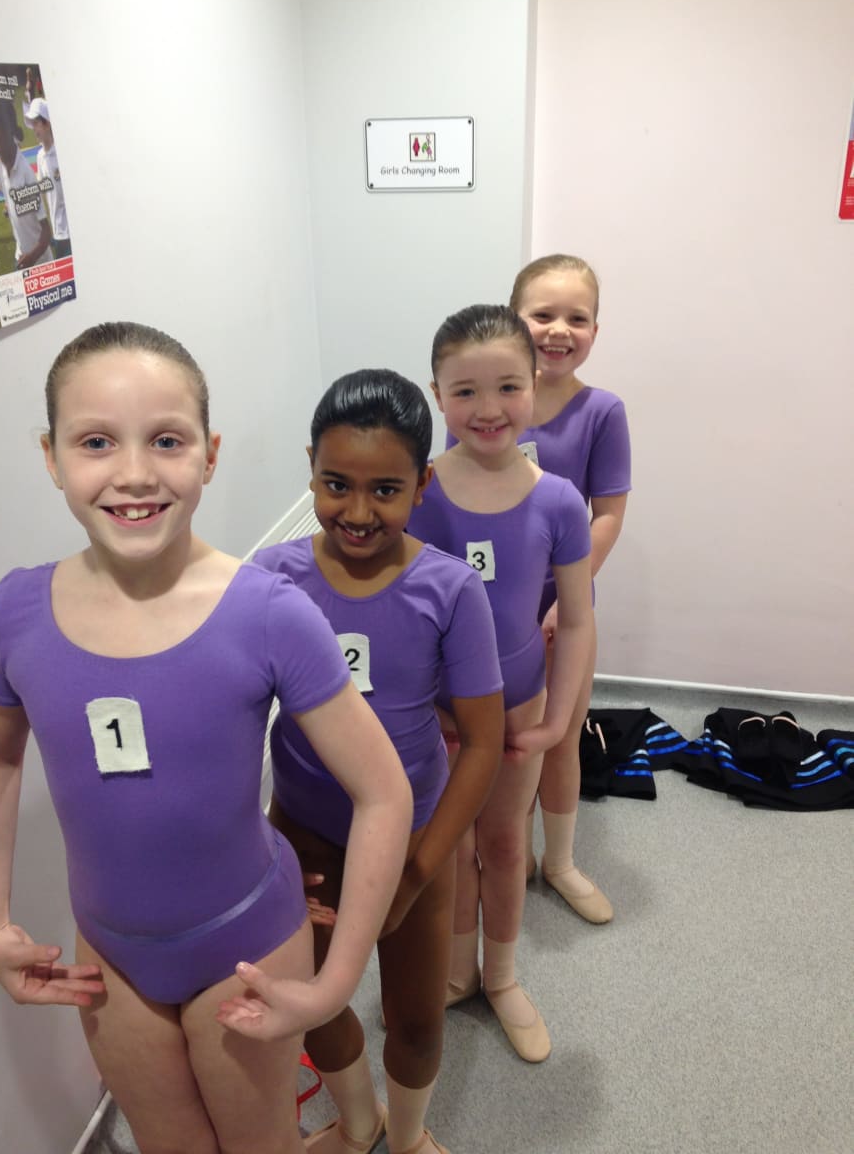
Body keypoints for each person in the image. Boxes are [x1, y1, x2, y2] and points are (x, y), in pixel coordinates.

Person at [0, 322, 413, 1154]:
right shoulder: (14, 616)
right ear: (51, 456)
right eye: (96, 441)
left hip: (248, 946)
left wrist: (336, 979)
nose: (134, 473)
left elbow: (383, 792)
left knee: (259, 1143)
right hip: (111, 956)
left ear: (209, 455)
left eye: (166, 440)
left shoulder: (268, 615)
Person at [254, 369, 504, 1154]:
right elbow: (231, 721)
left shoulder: (451, 589)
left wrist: (419, 872)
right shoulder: (270, 581)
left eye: (385, 490)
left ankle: (409, 1134)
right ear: (311, 469)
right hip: (304, 836)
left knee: (417, 1017)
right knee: (309, 999)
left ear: (422, 484)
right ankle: (358, 1122)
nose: (358, 513)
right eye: (337, 485)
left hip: (414, 842)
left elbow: (484, 741)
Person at [408, 304, 595, 1063]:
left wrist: (555, 722)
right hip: (439, 713)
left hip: (519, 705)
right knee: (451, 848)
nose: (488, 409)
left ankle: (504, 975)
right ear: (437, 395)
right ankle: (458, 971)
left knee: (506, 842)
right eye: (465, 392)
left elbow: (576, 620)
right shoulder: (417, 492)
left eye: (508, 387)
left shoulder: (558, 501)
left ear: (534, 385)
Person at [510, 254, 631, 923]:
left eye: (576, 318)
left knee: (559, 737)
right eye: (543, 314)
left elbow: (607, 514)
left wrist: (568, 596)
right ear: (513, 319)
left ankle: (558, 861)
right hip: (492, 609)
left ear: (594, 331)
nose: (559, 330)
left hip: (566, 609)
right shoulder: (491, 401)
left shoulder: (601, 412)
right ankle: (506, 850)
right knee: (498, 739)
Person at [0, 90, 52, 267]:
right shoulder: (0, 161)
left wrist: (32, 258)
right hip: (20, 258)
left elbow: (46, 233)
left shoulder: (26, 175)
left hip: (39, 265)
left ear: (1, 132)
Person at [26, 97, 71, 259]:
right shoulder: (40, 156)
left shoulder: (62, 153)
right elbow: (41, 188)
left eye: (37, 123)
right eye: (32, 124)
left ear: (47, 123)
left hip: (71, 232)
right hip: (57, 233)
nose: (34, 128)